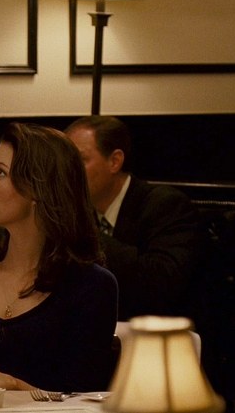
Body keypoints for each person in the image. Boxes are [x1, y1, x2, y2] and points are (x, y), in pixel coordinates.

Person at [0, 122, 118, 393]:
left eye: (1, 172)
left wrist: (12, 384)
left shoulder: (92, 287)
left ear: (38, 189)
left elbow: (84, 397)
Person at [64, 116, 202, 321]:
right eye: (65, 161)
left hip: (154, 332)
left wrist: (84, 234)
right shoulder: (77, 211)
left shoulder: (165, 205)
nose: (67, 171)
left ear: (115, 161)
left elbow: (161, 283)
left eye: (80, 160)